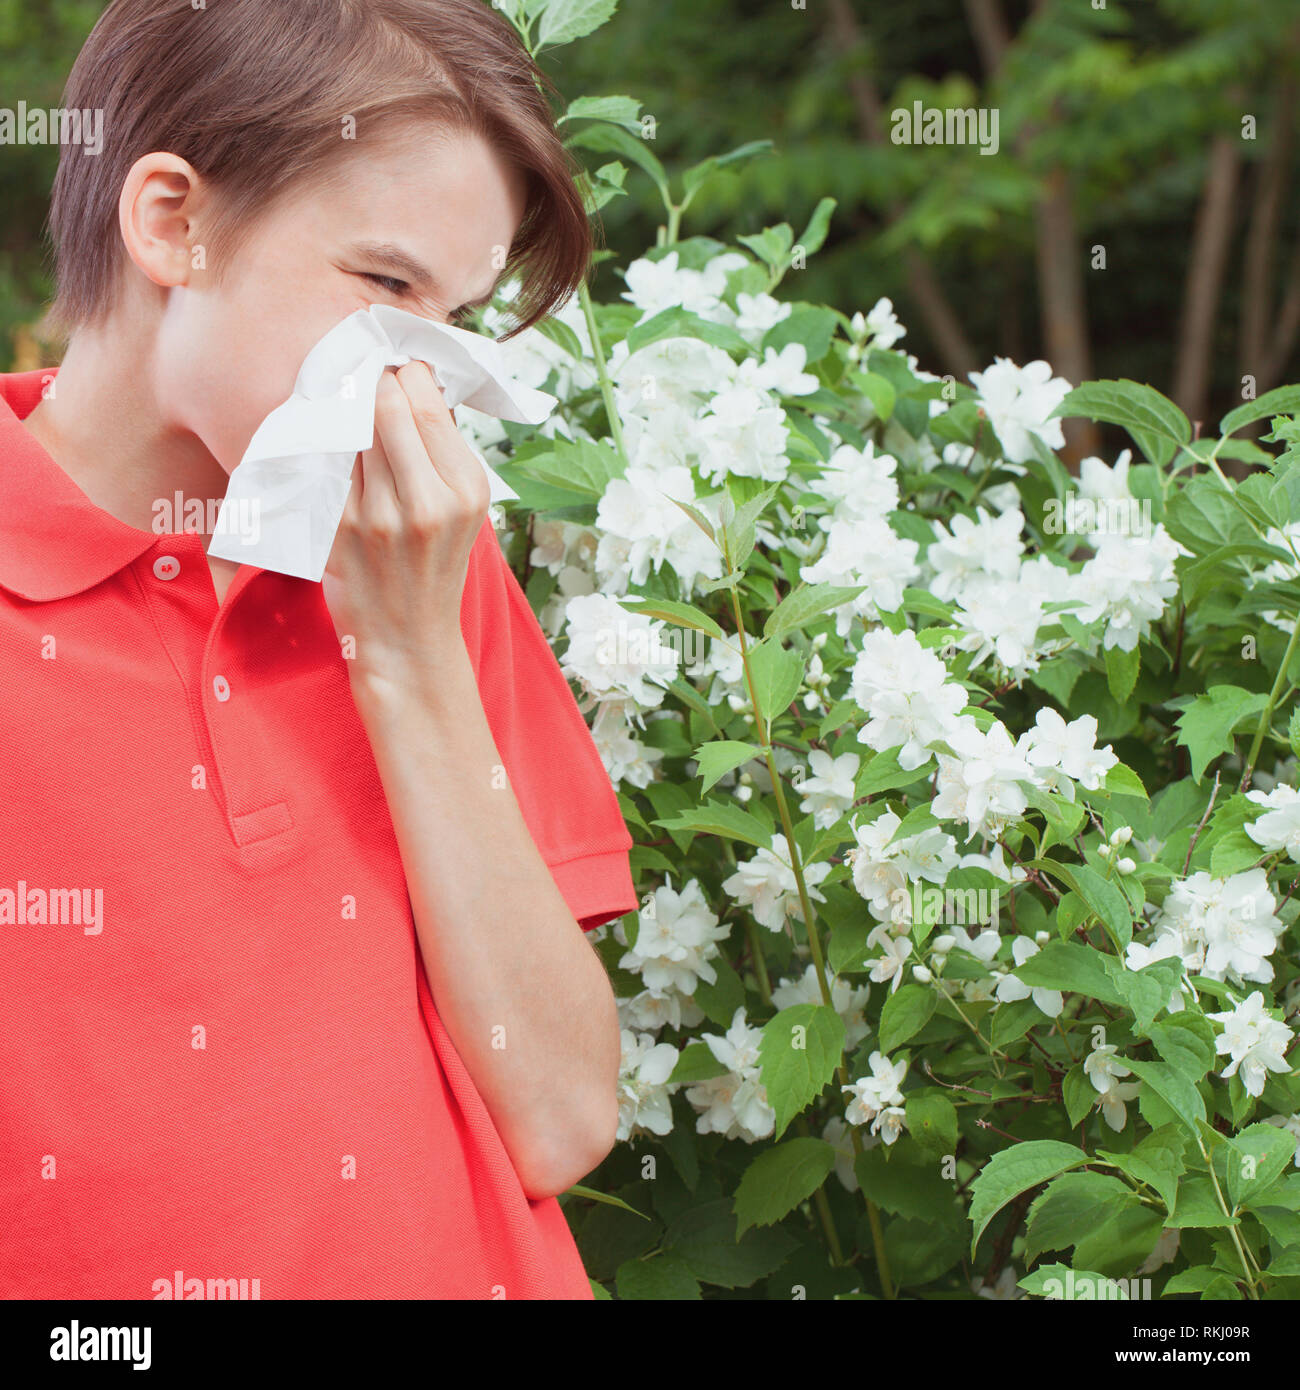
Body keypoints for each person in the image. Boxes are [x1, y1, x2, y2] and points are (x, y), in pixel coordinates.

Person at [0, 0, 637, 1300]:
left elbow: (563, 1114)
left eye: (450, 314)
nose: (416, 372)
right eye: (385, 287)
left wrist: (408, 658)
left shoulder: (421, 556)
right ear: (172, 221)